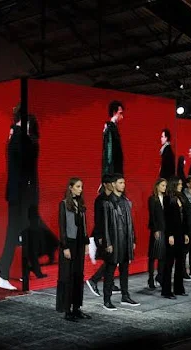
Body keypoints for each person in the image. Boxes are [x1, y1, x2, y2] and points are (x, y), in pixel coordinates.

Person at [0, 106, 27, 291]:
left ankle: (2, 266)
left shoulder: (14, 135)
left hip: (15, 192)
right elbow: (22, 168)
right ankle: (3, 274)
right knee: (14, 232)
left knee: (14, 232)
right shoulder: (19, 137)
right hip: (18, 193)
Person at [22, 114, 59, 278]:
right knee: (31, 226)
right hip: (29, 189)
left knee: (31, 227)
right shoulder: (30, 141)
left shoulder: (30, 142)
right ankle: (36, 261)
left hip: (29, 190)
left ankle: (35, 262)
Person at [101, 174, 140, 309]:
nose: (123, 185)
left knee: (124, 269)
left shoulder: (125, 201)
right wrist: (108, 243)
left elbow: (130, 222)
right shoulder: (107, 202)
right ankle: (107, 300)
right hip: (114, 240)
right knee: (110, 270)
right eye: (120, 182)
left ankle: (125, 296)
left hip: (126, 240)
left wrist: (133, 239)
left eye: (124, 182)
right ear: (113, 184)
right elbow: (105, 224)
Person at [56, 178, 91, 321]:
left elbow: (84, 225)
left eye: (81, 187)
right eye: (78, 186)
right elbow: (62, 227)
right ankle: (67, 310)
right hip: (69, 244)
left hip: (80, 244)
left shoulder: (80, 204)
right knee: (68, 276)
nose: (80, 189)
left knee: (78, 275)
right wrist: (65, 246)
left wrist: (86, 243)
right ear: (70, 187)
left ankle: (77, 308)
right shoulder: (64, 204)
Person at [85, 174, 120, 297]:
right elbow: (98, 219)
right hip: (103, 234)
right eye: (111, 183)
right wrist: (100, 236)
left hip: (112, 233)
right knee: (111, 260)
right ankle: (94, 280)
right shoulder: (100, 199)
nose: (113, 185)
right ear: (105, 184)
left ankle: (109, 284)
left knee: (112, 260)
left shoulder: (113, 197)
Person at [162, 176, 190, 298]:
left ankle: (179, 288)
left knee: (180, 262)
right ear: (174, 185)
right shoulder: (167, 199)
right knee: (169, 263)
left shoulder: (181, 197)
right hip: (172, 234)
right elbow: (167, 219)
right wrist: (170, 235)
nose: (181, 186)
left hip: (181, 233)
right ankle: (166, 290)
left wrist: (186, 233)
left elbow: (184, 217)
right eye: (179, 184)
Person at [147, 178, 167, 289]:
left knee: (163, 255)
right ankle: (150, 278)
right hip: (157, 230)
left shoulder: (167, 198)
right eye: (162, 185)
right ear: (157, 186)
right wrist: (155, 230)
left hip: (165, 230)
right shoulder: (152, 199)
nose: (164, 187)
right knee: (153, 255)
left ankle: (160, 276)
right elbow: (152, 215)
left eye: (165, 186)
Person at [102, 100, 124, 178]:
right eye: (120, 113)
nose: (122, 116)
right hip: (113, 169)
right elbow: (109, 149)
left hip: (115, 167)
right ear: (114, 112)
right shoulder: (110, 127)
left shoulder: (113, 127)